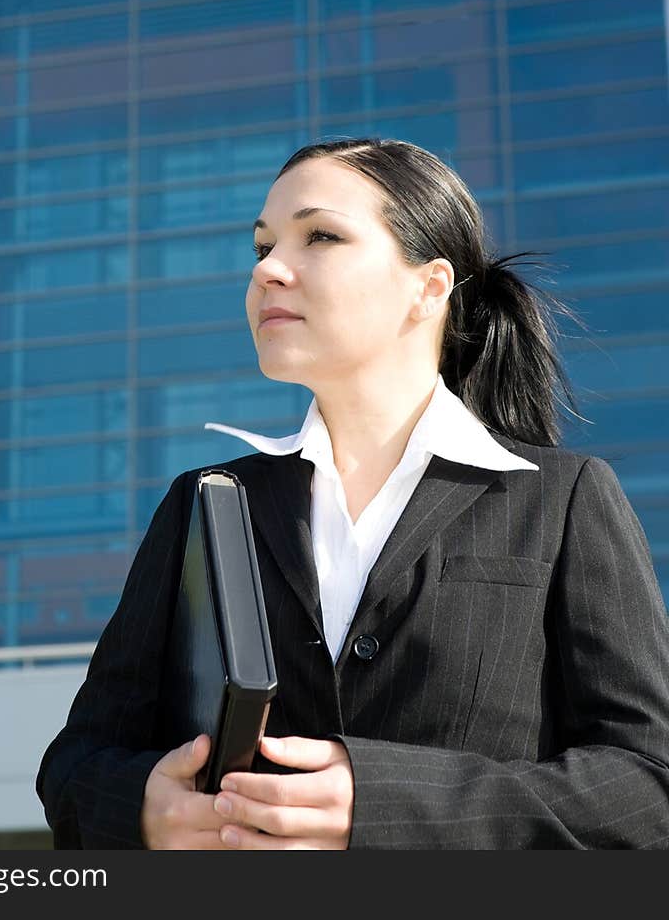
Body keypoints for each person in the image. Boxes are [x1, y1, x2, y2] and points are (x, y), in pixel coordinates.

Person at [36, 136, 669, 849]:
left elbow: (646, 787)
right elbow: (77, 764)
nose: (269, 270)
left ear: (429, 287)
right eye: (262, 247)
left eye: (321, 236)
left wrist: (380, 803)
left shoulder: (562, 500)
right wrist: (147, 808)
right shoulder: (205, 504)